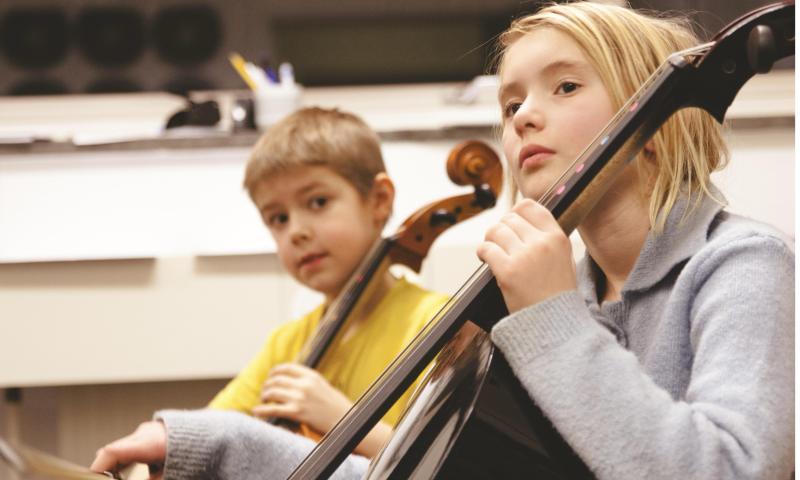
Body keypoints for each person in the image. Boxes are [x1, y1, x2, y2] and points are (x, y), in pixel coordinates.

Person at [91, 3, 794, 479]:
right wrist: (208, 445)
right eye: (511, 103)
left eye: (566, 86)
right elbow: (413, 470)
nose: (523, 118)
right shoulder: (563, 295)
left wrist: (552, 320)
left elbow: (729, 469)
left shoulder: (737, 264)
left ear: (659, 119)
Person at [90, 107, 448, 477]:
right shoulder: (287, 345)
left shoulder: (436, 324)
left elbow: (445, 462)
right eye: (278, 218)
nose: (296, 231)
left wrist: (346, 420)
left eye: (317, 202)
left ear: (378, 200)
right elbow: (209, 434)